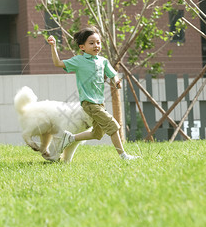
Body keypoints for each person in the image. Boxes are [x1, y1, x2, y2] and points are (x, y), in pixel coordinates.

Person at [47, 26, 139, 160]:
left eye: (98, 42)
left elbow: (112, 74)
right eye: (91, 43)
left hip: (100, 103)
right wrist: (53, 46)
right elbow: (58, 63)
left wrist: (116, 81)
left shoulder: (103, 61)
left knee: (97, 134)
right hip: (89, 103)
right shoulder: (78, 61)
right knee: (113, 126)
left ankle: (69, 138)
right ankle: (124, 156)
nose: (96, 45)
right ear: (82, 47)